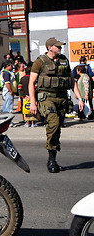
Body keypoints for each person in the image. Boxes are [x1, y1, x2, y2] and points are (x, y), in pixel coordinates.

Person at [29, 37, 84, 173]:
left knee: (57, 128)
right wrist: (32, 102)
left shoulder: (64, 60)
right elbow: (31, 83)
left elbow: (72, 82)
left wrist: (80, 99)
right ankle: (51, 159)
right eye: (57, 46)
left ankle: (52, 158)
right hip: (47, 98)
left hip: (62, 99)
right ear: (50, 48)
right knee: (53, 123)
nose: (60, 48)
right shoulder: (40, 62)